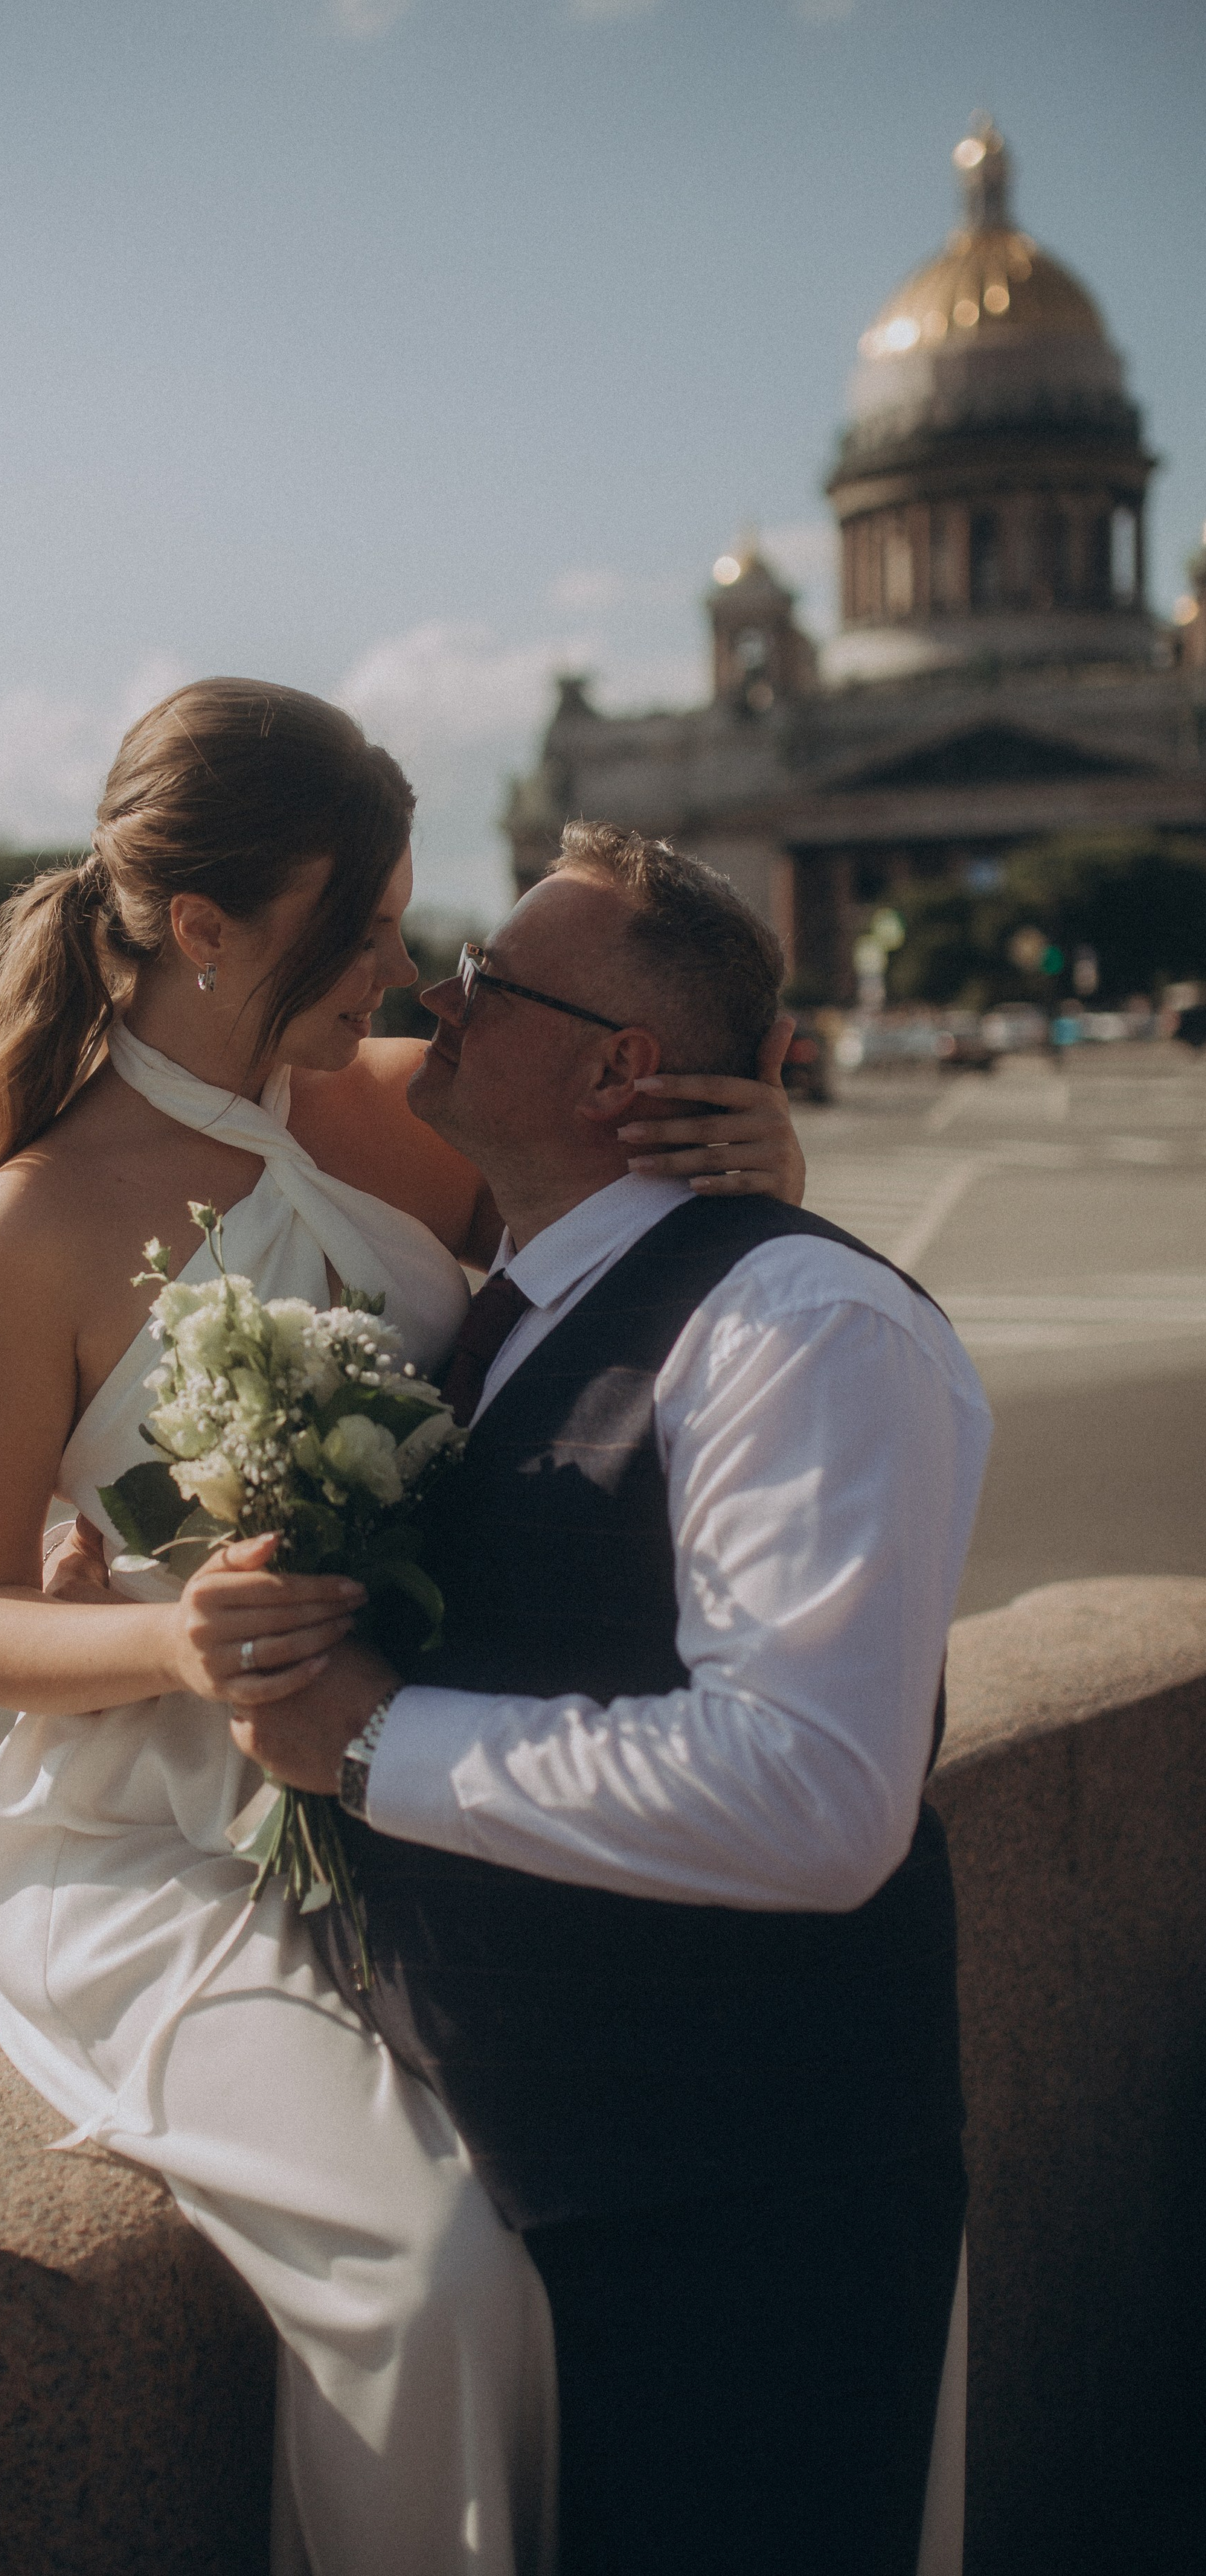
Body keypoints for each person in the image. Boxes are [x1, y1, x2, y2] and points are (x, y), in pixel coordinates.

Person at [0, 684, 807, 2576]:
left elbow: (614, 1302)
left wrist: (754, 1176)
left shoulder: (400, 1114)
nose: (408, 974)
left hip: (428, 1790)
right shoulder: (33, 1223)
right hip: (160, 1842)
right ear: (205, 926)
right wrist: (175, 1644)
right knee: (427, 2282)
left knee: (621, 2198)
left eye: (402, 922)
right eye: (362, 929)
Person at [234, 821, 991, 2576]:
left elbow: (808, 1795)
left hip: (733, 2211)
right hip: (544, 2169)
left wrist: (365, 1737)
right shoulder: (523, 1293)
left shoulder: (800, 1323)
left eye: (487, 982)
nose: (439, 993)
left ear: (619, 1066)